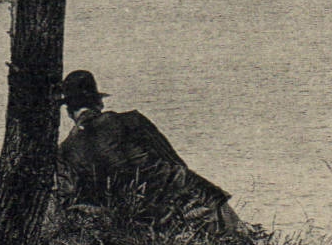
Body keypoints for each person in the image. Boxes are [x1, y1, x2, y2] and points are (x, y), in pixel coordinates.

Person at [56, 69, 243, 233]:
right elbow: (173, 159)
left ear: (69, 112)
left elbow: (75, 197)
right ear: (99, 103)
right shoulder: (131, 120)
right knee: (241, 235)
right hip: (183, 199)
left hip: (136, 221)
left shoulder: (65, 150)